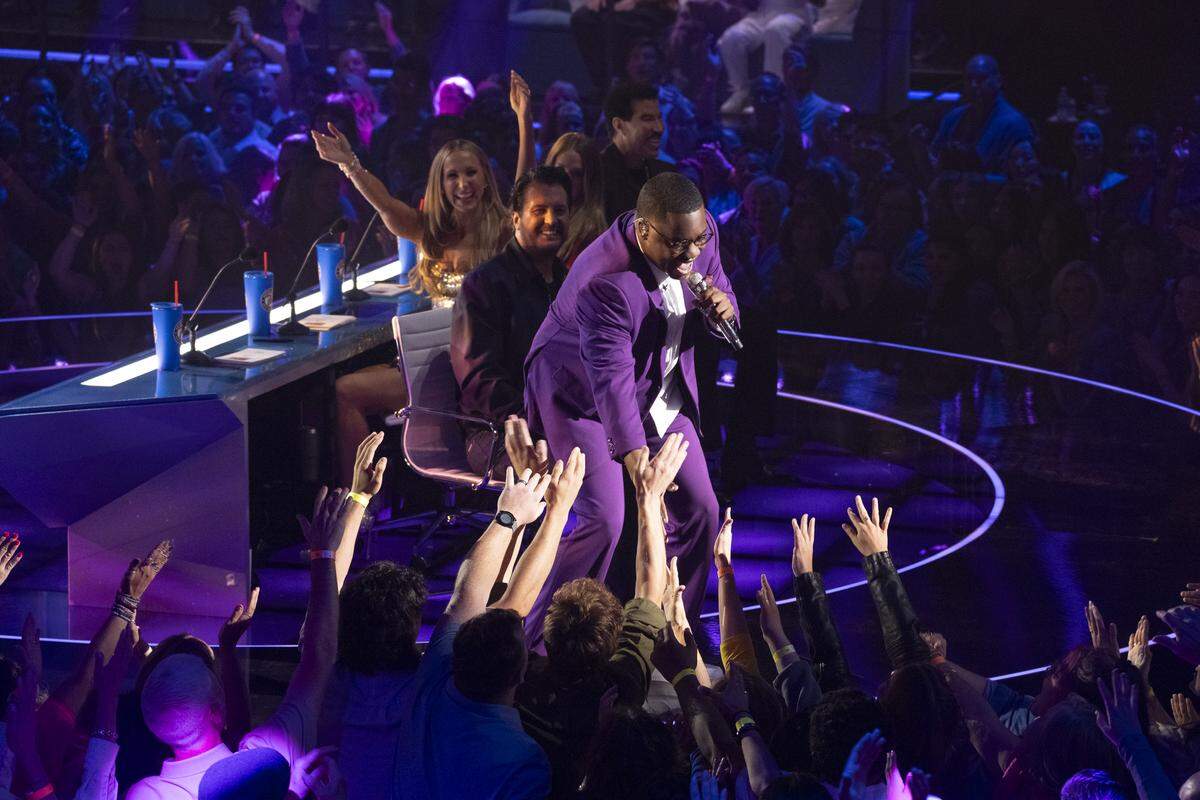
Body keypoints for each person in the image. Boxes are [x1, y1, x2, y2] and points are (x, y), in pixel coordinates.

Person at [523, 172, 737, 638]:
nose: (692, 254)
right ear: (643, 231)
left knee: (701, 508)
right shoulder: (606, 281)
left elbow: (719, 285)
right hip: (578, 393)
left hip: (654, 383)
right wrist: (639, 465)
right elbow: (611, 381)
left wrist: (724, 310)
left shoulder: (696, 231)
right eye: (680, 245)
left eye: (698, 240)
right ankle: (542, 641)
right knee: (604, 518)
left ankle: (675, 633)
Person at [451, 166, 572, 476]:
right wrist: (541, 420)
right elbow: (480, 382)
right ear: (516, 218)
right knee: (580, 466)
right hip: (496, 433)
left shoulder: (569, 281)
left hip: (557, 425)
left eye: (559, 210)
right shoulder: (484, 284)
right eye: (539, 210)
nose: (550, 220)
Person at [930, 54, 1034, 174]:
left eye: (981, 79)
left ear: (999, 81)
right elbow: (934, 160)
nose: (973, 85)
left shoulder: (1014, 123)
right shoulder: (953, 116)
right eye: (969, 79)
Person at [717, 0, 818, 115]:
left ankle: (773, 94)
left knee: (775, 30)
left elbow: (820, 3)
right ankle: (741, 91)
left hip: (794, 14)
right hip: (762, 14)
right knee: (733, 37)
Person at [600, 82, 675, 223]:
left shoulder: (666, 175)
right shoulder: (596, 177)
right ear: (619, 125)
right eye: (647, 119)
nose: (659, 128)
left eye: (659, 118)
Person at [544, 133, 607, 265]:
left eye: (577, 174)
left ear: (589, 180)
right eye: (560, 170)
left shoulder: (590, 235)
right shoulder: (539, 215)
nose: (566, 179)